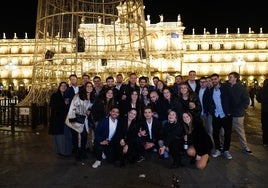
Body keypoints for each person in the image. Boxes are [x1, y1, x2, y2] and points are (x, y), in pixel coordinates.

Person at [205, 73, 234, 160]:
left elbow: (232, 100)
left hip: (226, 115)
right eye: (212, 80)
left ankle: (226, 150)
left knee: (227, 134)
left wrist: (230, 111)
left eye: (215, 79)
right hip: (216, 115)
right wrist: (211, 111)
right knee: (215, 133)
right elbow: (209, 103)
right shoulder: (211, 91)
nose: (214, 81)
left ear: (218, 79)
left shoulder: (226, 87)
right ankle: (218, 149)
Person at [65, 81, 95, 161]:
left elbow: (91, 107)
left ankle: (82, 151)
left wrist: (89, 110)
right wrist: (72, 119)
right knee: (75, 137)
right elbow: (72, 107)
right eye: (87, 86)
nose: (89, 88)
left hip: (83, 119)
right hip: (75, 118)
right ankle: (77, 153)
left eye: (91, 86)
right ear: (85, 87)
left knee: (84, 135)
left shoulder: (92, 96)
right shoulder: (78, 96)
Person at [228, 72, 252, 154]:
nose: (229, 78)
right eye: (229, 77)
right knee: (224, 131)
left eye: (230, 77)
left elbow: (246, 101)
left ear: (235, 78)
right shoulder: (227, 87)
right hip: (228, 113)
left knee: (240, 131)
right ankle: (224, 146)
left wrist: (241, 109)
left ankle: (244, 146)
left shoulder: (241, 88)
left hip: (238, 114)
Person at [48, 82, 72, 157]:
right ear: (59, 87)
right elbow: (53, 105)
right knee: (59, 136)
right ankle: (61, 151)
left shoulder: (65, 96)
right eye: (62, 85)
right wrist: (63, 103)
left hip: (63, 118)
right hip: (57, 119)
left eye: (65, 86)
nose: (63, 87)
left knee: (64, 135)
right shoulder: (55, 95)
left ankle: (64, 151)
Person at [256, 79, 268, 147]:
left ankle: (265, 141)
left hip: (265, 110)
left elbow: (258, 99)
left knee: (265, 126)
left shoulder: (262, 90)